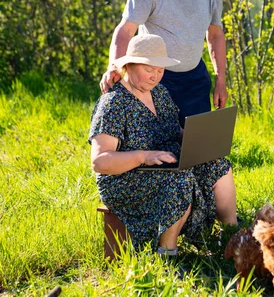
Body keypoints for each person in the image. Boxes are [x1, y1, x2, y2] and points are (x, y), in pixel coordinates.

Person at [89, 34, 237, 255]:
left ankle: (231, 237)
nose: (155, 77)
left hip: (162, 165)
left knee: (217, 164)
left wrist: (199, 139)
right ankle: (167, 254)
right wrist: (144, 156)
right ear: (129, 65)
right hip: (126, 178)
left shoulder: (159, 92)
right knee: (180, 180)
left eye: (160, 71)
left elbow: (171, 129)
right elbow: (100, 162)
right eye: (149, 70)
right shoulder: (113, 103)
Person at [99, 0, 227, 126]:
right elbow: (125, 30)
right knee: (157, 145)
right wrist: (114, 67)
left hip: (195, 78)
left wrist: (220, 80)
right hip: (155, 78)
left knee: (196, 147)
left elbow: (216, 36)